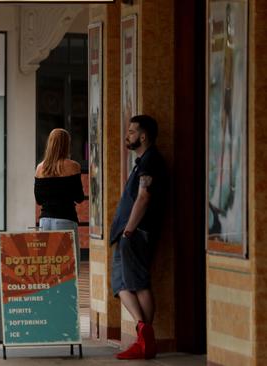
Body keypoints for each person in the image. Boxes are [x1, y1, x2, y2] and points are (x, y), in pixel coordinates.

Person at [109, 115, 167, 360]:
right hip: (129, 233)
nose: (127, 135)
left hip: (135, 233)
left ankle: (145, 338)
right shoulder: (142, 161)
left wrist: (129, 230)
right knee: (121, 283)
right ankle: (144, 334)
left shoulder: (150, 161)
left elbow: (144, 197)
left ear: (143, 136)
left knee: (138, 283)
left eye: (132, 131)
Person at [34, 128, 84, 271]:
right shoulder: (73, 166)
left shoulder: (40, 168)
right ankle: (66, 294)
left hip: (45, 221)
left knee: (47, 267)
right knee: (68, 267)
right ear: (67, 144)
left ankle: (51, 293)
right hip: (65, 219)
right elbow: (79, 197)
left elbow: (38, 199)